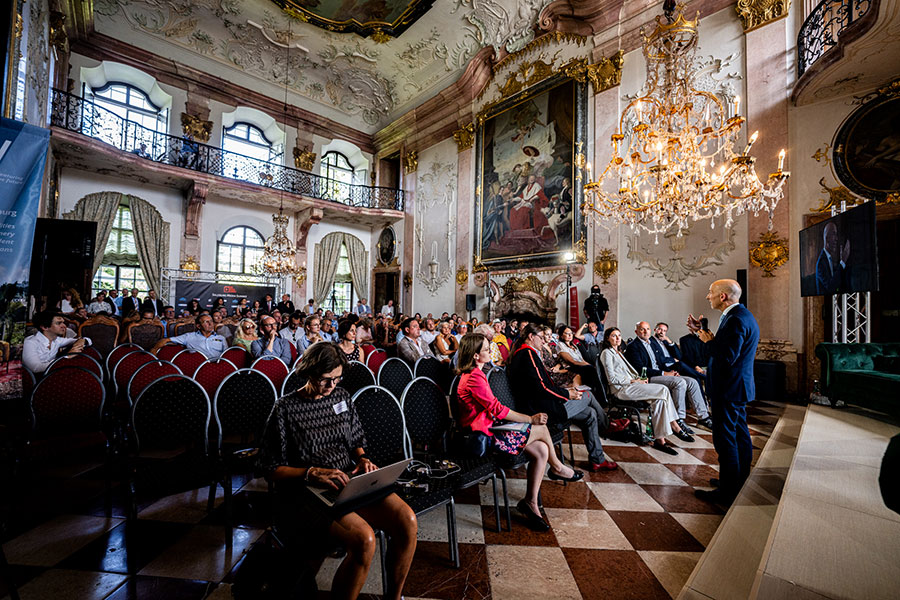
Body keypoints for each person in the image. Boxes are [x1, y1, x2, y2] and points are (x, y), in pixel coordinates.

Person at [258, 342, 417, 600]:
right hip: (307, 491)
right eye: (325, 379)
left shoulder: (341, 396)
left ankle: (394, 598)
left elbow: (356, 439)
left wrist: (363, 458)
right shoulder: (285, 408)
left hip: (347, 479)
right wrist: (311, 473)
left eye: (337, 378)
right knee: (364, 540)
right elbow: (269, 468)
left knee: (407, 520)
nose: (332, 386)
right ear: (308, 372)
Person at [455, 333, 583, 532]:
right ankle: (557, 467)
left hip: (491, 428)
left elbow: (495, 411)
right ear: (475, 356)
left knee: (541, 449)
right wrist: (530, 419)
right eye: (487, 350)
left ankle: (530, 503)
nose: (491, 352)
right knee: (540, 427)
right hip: (483, 437)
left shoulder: (476, 373)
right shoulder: (473, 378)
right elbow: (497, 409)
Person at [508, 324, 617, 471]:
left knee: (590, 414)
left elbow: (543, 386)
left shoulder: (526, 353)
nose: (543, 341)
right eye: (541, 337)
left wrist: (566, 392)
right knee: (588, 395)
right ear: (531, 337)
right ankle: (607, 426)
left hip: (544, 403)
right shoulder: (527, 354)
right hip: (542, 409)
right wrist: (567, 394)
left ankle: (597, 460)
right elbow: (542, 387)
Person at [689, 278, 760, 505]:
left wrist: (708, 341)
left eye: (710, 292)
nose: (707, 296)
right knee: (739, 435)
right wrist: (705, 333)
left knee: (726, 439)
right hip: (736, 387)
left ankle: (728, 493)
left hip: (729, 389)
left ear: (723, 296)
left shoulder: (736, 320)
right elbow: (728, 347)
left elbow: (727, 356)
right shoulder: (740, 315)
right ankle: (737, 482)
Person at [599, 327, 690, 455]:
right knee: (663, 389)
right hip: (621, 390)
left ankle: (660, 441)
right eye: (614, 336)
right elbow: (612, 378)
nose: (618, 338)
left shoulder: (618, 352)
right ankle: (675, 425)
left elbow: (628, 372)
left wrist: (639, 379)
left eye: (619, 335)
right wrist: (634, 381)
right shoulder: (606, 353)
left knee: (659, 401)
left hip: (632, 386)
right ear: (607, 338)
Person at [625, 321, 711, 432]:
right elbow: (641, 369)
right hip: (649, 377)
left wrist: (671, 372)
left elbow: (662, 361)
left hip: (662, 373)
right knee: (679, 382)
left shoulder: (652, 344)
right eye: (642, 329)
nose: (646, 331)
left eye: (647, 329)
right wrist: (664, 374)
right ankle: (679, 419)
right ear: (636, 332)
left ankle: (703, 417)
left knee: (692, 381)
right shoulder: (634, 346)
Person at [23, 311, 93, 374]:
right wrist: (67, 357)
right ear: (44, 327)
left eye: (63, 322)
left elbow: (87, 340)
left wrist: (80, 342)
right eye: (59, 323)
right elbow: (36, 368)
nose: (64, 326)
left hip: (52, 374)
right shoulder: (29, 342)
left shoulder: (57, 340)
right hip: (36, 379)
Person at [654, 322, 707, 386]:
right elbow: (658, 358)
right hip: (666, 367)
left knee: (695, 378)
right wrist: (673, 360)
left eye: (664, 331)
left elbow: (679, 356)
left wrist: (669, 341)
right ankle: (704, 376)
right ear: (655, 330)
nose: (662, 332)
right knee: (680, 364)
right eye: (660, 329)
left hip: (674, 366)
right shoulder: (650, 342)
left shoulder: (665, 341)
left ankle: (702, 396)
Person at [157, 313, 228, 359]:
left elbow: (227, 356)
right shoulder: (189, 337)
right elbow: (166, 340)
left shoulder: (221, 338)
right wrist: (154, 351)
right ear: (198, 326)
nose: (210, 324)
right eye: (206, 322)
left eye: (211, 321)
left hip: (217, 367)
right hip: (197, 367)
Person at [816, 221, 851, 295]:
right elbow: (831, 287)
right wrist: (843, 261)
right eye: (834, 234)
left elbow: (837, 282)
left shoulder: (830, 259)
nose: (836, 239)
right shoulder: (821, 262)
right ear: (827, 238)